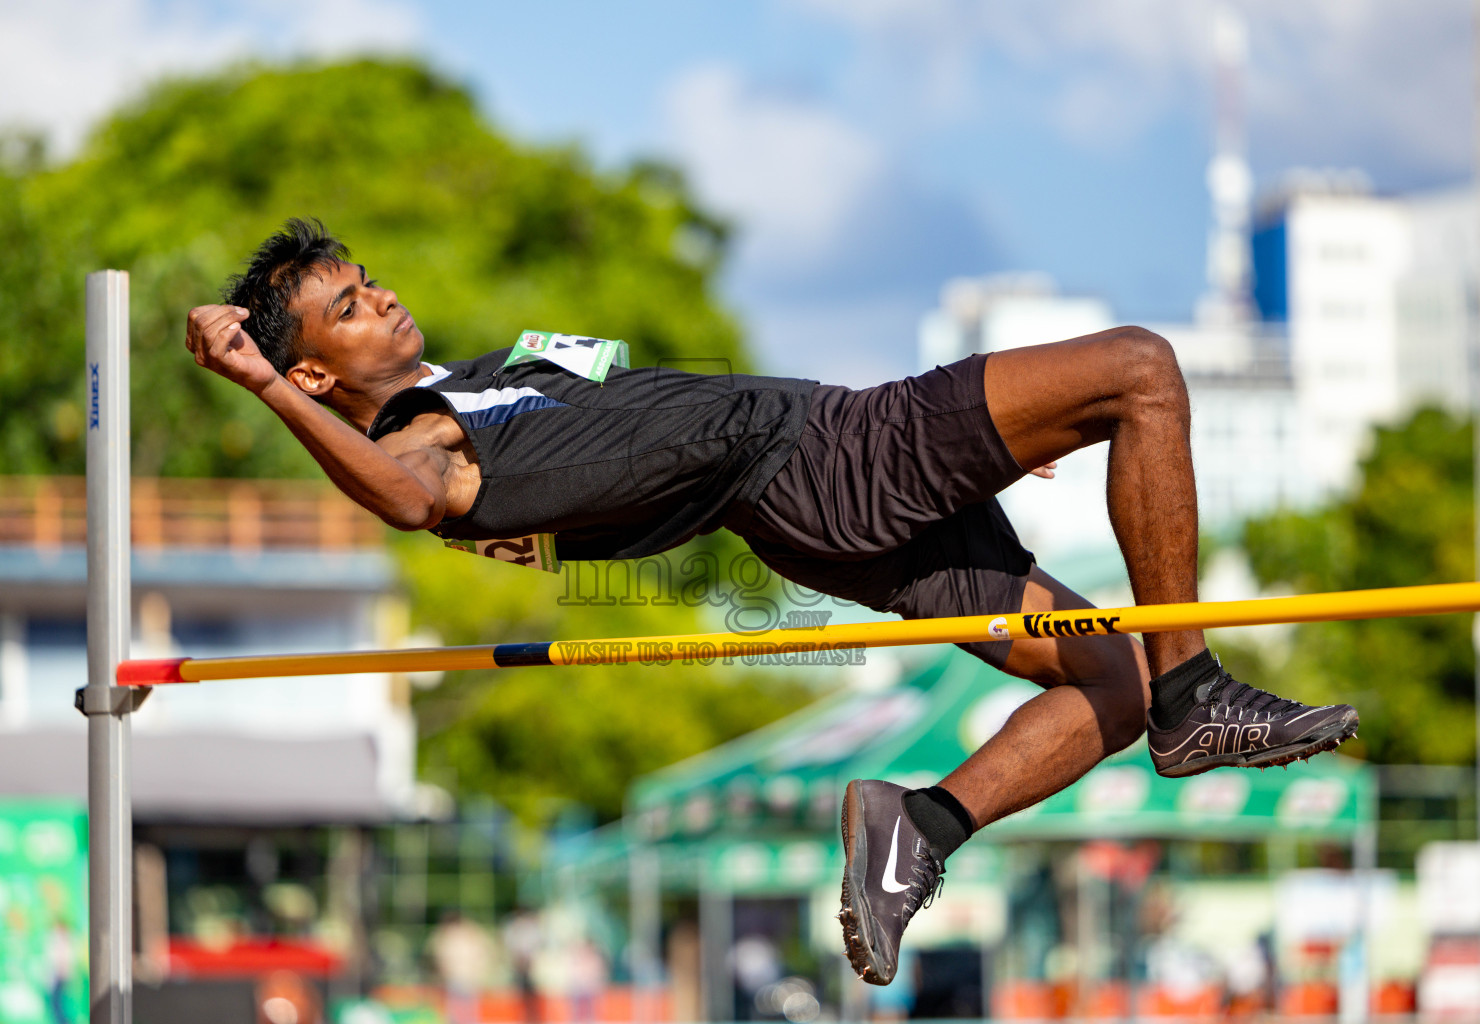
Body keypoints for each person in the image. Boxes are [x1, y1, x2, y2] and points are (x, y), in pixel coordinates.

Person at [186, 219, 1358, 986]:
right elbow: (402, 498)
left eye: (367, 280)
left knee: (1106, 679)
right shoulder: (425, 435)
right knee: (1140, 366)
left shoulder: (505, 371)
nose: (379, 298)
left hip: (830, 471)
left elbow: (679, 404)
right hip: (823, 462)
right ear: (315, 375)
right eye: (347, 309)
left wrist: (994, 442)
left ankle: (920, 828)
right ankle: (1199, 692)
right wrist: (258, 388)